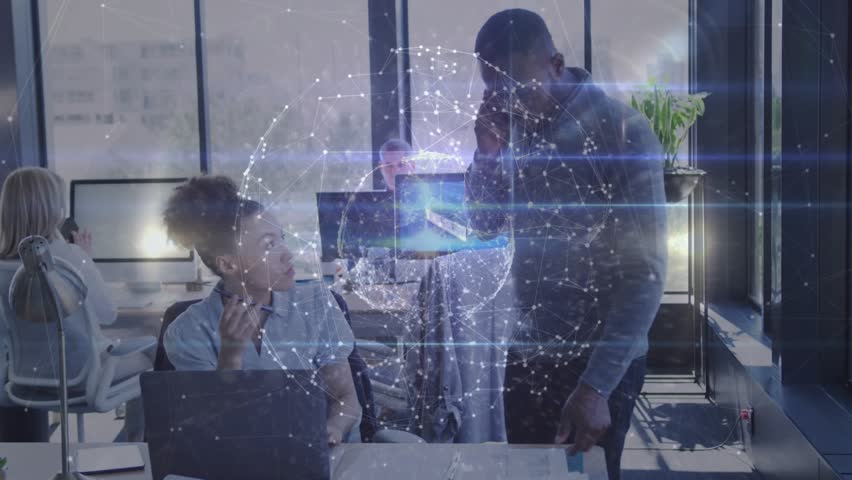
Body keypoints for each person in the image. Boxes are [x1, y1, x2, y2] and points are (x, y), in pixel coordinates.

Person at [465, 9, 667, 480]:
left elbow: (647, 272)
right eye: (493, 89)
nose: (506, 100)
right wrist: (486, 155)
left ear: (555, 63)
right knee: (525, 473)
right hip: (530, 349)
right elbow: (483, 224)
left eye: (515, 85)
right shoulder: (512, 130)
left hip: (594, 361)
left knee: (586, 476)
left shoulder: (623, 133)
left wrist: (596, 387)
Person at [162, 176, 360, 445]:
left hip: (325, 456)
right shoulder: (186, 332)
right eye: (269, 245)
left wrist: (333, 429)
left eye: (282, 239)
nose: (287, 254)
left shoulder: (316, 303)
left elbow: (347, 399)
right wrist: (230, 356)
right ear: (228, 265)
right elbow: (210, 427)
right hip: (238, 463)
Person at [0, 167, 152, 442]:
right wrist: (85, 259)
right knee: (156, 353)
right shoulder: (70, 258)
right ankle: (131, 447)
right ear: (52, 209)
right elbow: (108, 314)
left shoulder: (3, 268)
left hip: (25, 381)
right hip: (83, 379)